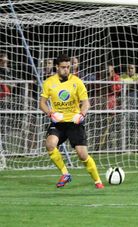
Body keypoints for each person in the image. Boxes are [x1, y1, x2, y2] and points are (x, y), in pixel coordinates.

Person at [39, 54, 104, 189]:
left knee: (82, 155)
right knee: (50, 144)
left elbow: (86, 103)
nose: (66, 70)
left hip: (74, 122)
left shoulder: (77, 81)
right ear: (57, 67)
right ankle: (65, 174)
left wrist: (82, 114)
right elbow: (42, 103)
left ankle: (98, 181)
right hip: (59, 122)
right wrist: (50, 113)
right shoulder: (49, 82)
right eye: (63, 67)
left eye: (68, 67)